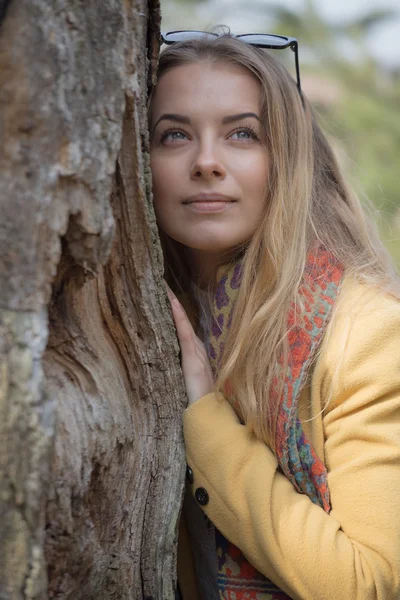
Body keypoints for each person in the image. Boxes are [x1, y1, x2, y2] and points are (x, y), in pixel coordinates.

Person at [149, 29, 400, 600]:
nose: (206, 162)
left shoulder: (367, 332)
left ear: (285, 156)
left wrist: (206, 417)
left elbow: (369, 584)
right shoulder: (143, 321)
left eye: (242, 134)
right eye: (174, 135)